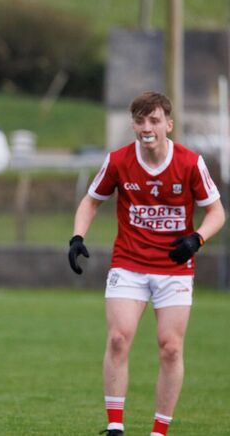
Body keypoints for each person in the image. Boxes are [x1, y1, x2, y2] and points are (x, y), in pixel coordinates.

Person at [68, 91, 225, 436]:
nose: (146, 127)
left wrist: (196, 239)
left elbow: (216, 212)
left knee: (170, 348)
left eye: (154, 120)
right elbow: (90, 202)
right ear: (134, 125)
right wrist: (77, 238)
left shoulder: (190, 163)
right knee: (119, 339)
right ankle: (115, 427)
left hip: (174, 268)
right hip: (129, 263)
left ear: (168, 124)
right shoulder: (119, 161)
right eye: (140, 121)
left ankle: (159, 431)